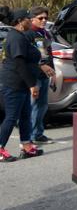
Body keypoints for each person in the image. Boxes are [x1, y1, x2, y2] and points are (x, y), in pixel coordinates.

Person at [0, 8, 44, 161]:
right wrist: (32, 84)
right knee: (11, 117)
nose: (29, 20)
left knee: (25, 116)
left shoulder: (20, 36)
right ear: (20, 22)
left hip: (22, 84)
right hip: (14, 84)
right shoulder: (15, 38)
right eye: (27, 18)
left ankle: (26, 146)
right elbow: (20, 64)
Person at [26, 6, 56, 144]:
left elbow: (49, 55)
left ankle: (38, 134)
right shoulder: (28, 34)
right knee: (33, 106)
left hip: (45, 76)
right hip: (33, 75)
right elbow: (26, 57)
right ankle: (30, 137)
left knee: (43, 106)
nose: (44, 20)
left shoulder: (46, 33)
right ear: (32, 19)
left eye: (46, 18)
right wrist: (40, 65)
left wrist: (53, 73)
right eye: (40, 18)